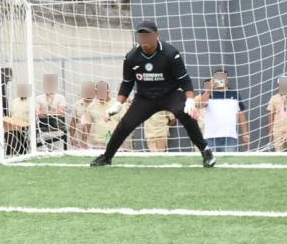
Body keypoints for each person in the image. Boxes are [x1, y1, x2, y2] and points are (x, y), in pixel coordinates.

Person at [91, 20, 213, 167]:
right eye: (141, 35)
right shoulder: (131, 57)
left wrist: (190, 100)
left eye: (148, 35)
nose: (145, 39)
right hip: (145, 98)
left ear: (156, 35)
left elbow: (184, 80)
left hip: (170, 95)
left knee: (185, 114)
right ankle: (107, 157)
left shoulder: (170, 54)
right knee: (125, 124)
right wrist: (118, 103)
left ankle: (206, 151)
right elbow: (127, 83)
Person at [199, 69, 250, 152]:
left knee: (227, 162)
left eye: (221, 77)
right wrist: (208, 90)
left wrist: (245, 134)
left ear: (227, 80)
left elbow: (241, 114)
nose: (219, 80)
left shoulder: (235, 94)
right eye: (217, 78)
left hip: (229, 136)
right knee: (211, 162)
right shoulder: (207, 94)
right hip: (210, 136)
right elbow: (201, 104)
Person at [83, 81, 124, 150]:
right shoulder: (91, 106)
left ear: (108, 91)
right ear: (95, 92)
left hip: (116, 141)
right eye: (99, 91)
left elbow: (124, 122)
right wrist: (84, 140)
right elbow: (87, 125)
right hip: (98, 143)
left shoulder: (117, 104)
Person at [70, 81, 95, 149]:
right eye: (86, 90)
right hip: (79, 136)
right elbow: (73, 122)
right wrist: (71, 137)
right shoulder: (77, 105)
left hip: (93, 137)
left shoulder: (97, 104)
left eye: (90, 90)